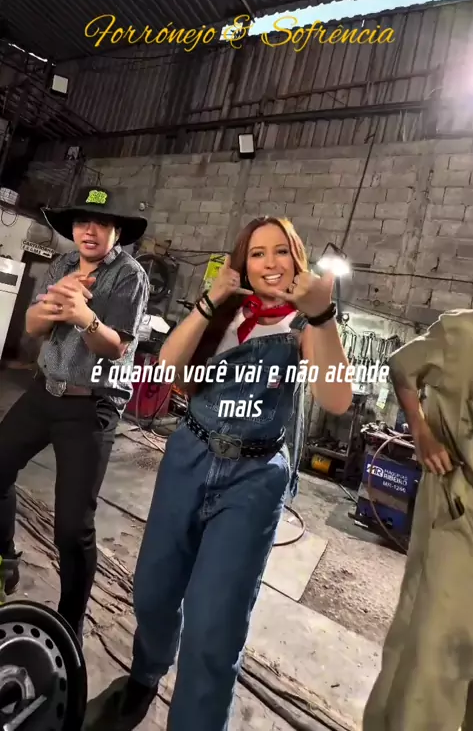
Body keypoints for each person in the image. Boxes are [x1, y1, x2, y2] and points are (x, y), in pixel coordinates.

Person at [99, 215, 353, 731]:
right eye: (257, 253)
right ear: (243, 264)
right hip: (189, 457)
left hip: (252, 481)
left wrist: (324, 315)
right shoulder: (225, 313)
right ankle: (147, 671)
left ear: (297, 261)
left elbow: (337, 398)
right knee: (152, 590)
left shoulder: (305, 326)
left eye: (281, 252)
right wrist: (211, 300)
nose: (270, 263)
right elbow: (166, 369)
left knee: (214, 625)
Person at [0, 186, 150, 641]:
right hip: (45, 390)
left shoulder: (129, 276)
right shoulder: (63, 265)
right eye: (83, 222)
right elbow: (32, 326)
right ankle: (5, 558)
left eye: (101, 223)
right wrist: (54, 304)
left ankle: (70, 625)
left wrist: (83, 313)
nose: (90, 230)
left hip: (91, 406)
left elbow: (114, 347)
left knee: (72, 527)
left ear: (116, 230)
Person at [362, 309, 473, 731]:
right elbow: (401, 366)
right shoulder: (463, 333)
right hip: (458, 512)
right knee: (432, 658)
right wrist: (422, 432)